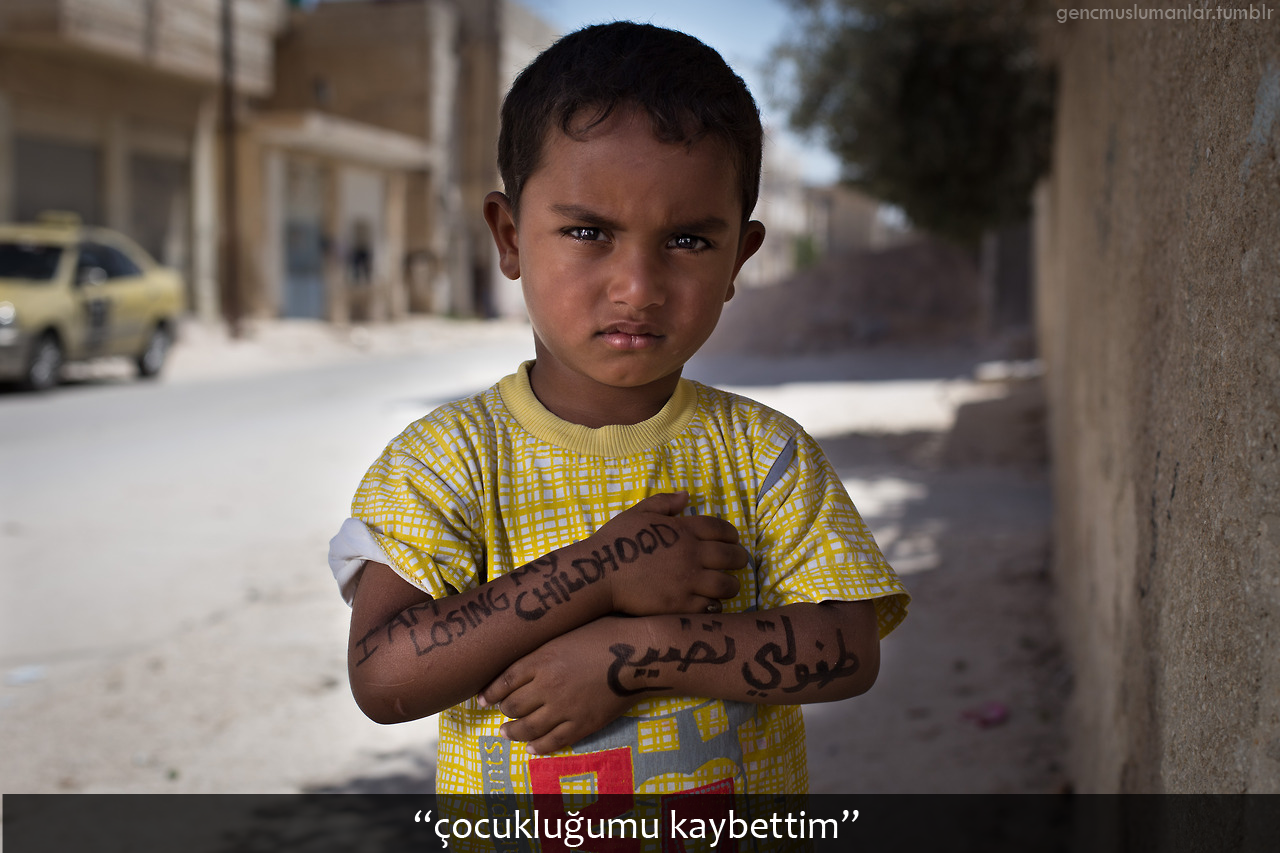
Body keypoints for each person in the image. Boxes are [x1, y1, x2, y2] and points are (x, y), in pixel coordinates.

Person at [327, 21, 909, 800]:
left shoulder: (764, 452)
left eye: (689, 241)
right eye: (588, 231)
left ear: (739, 257)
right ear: (509, 237)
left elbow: (848, 648)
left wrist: (634, 652)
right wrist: (597, 573)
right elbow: (383, 677)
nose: (638, 286)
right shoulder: (447, 460)